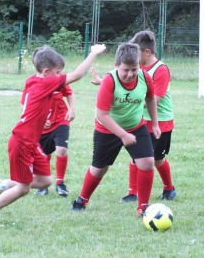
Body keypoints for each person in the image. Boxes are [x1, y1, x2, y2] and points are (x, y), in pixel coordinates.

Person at [0, 43, 106, 226]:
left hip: (31, 142)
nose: (60, 76)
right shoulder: (46, 82)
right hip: (22, 141)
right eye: (58, 72)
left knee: (45, 181)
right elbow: (77, 75)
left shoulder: (34, 81)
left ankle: (2, 185)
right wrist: (93, 53)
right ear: (47, 71)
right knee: (23, 188)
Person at [71, 42, 161, 216]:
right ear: (116, 65)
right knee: (99, 169)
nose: (130, 74)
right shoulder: (109, 81)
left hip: (136, 127)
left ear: (139, 66)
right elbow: (102, 115)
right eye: (125, 69)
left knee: (147, 163)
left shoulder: (145, 78)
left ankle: (143, 208)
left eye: (134, 69)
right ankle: (82, 199)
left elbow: (150, 100)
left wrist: (155, 124)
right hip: (107, 129)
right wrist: (122, 135)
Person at [120, 30, 176, 202]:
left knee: (157, 159)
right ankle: (132, 193)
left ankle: (169, 188)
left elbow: (154, 100)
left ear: (147, 52)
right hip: (140, 120)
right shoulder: (137, 68)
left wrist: (127, 102)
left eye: (136, 53)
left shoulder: (161, 70)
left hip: (160, 122)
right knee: (136, 157)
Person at [21, 82, 75, 197]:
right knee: (43, 155)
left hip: (61, 120)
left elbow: (69, 93)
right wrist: (38, 119)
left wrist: (72, 109)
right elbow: (24, 106)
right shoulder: (31, 83)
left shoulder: (59, 80)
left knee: (61, 150)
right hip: (41, 127)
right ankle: (43, 185)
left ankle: (60, 183)